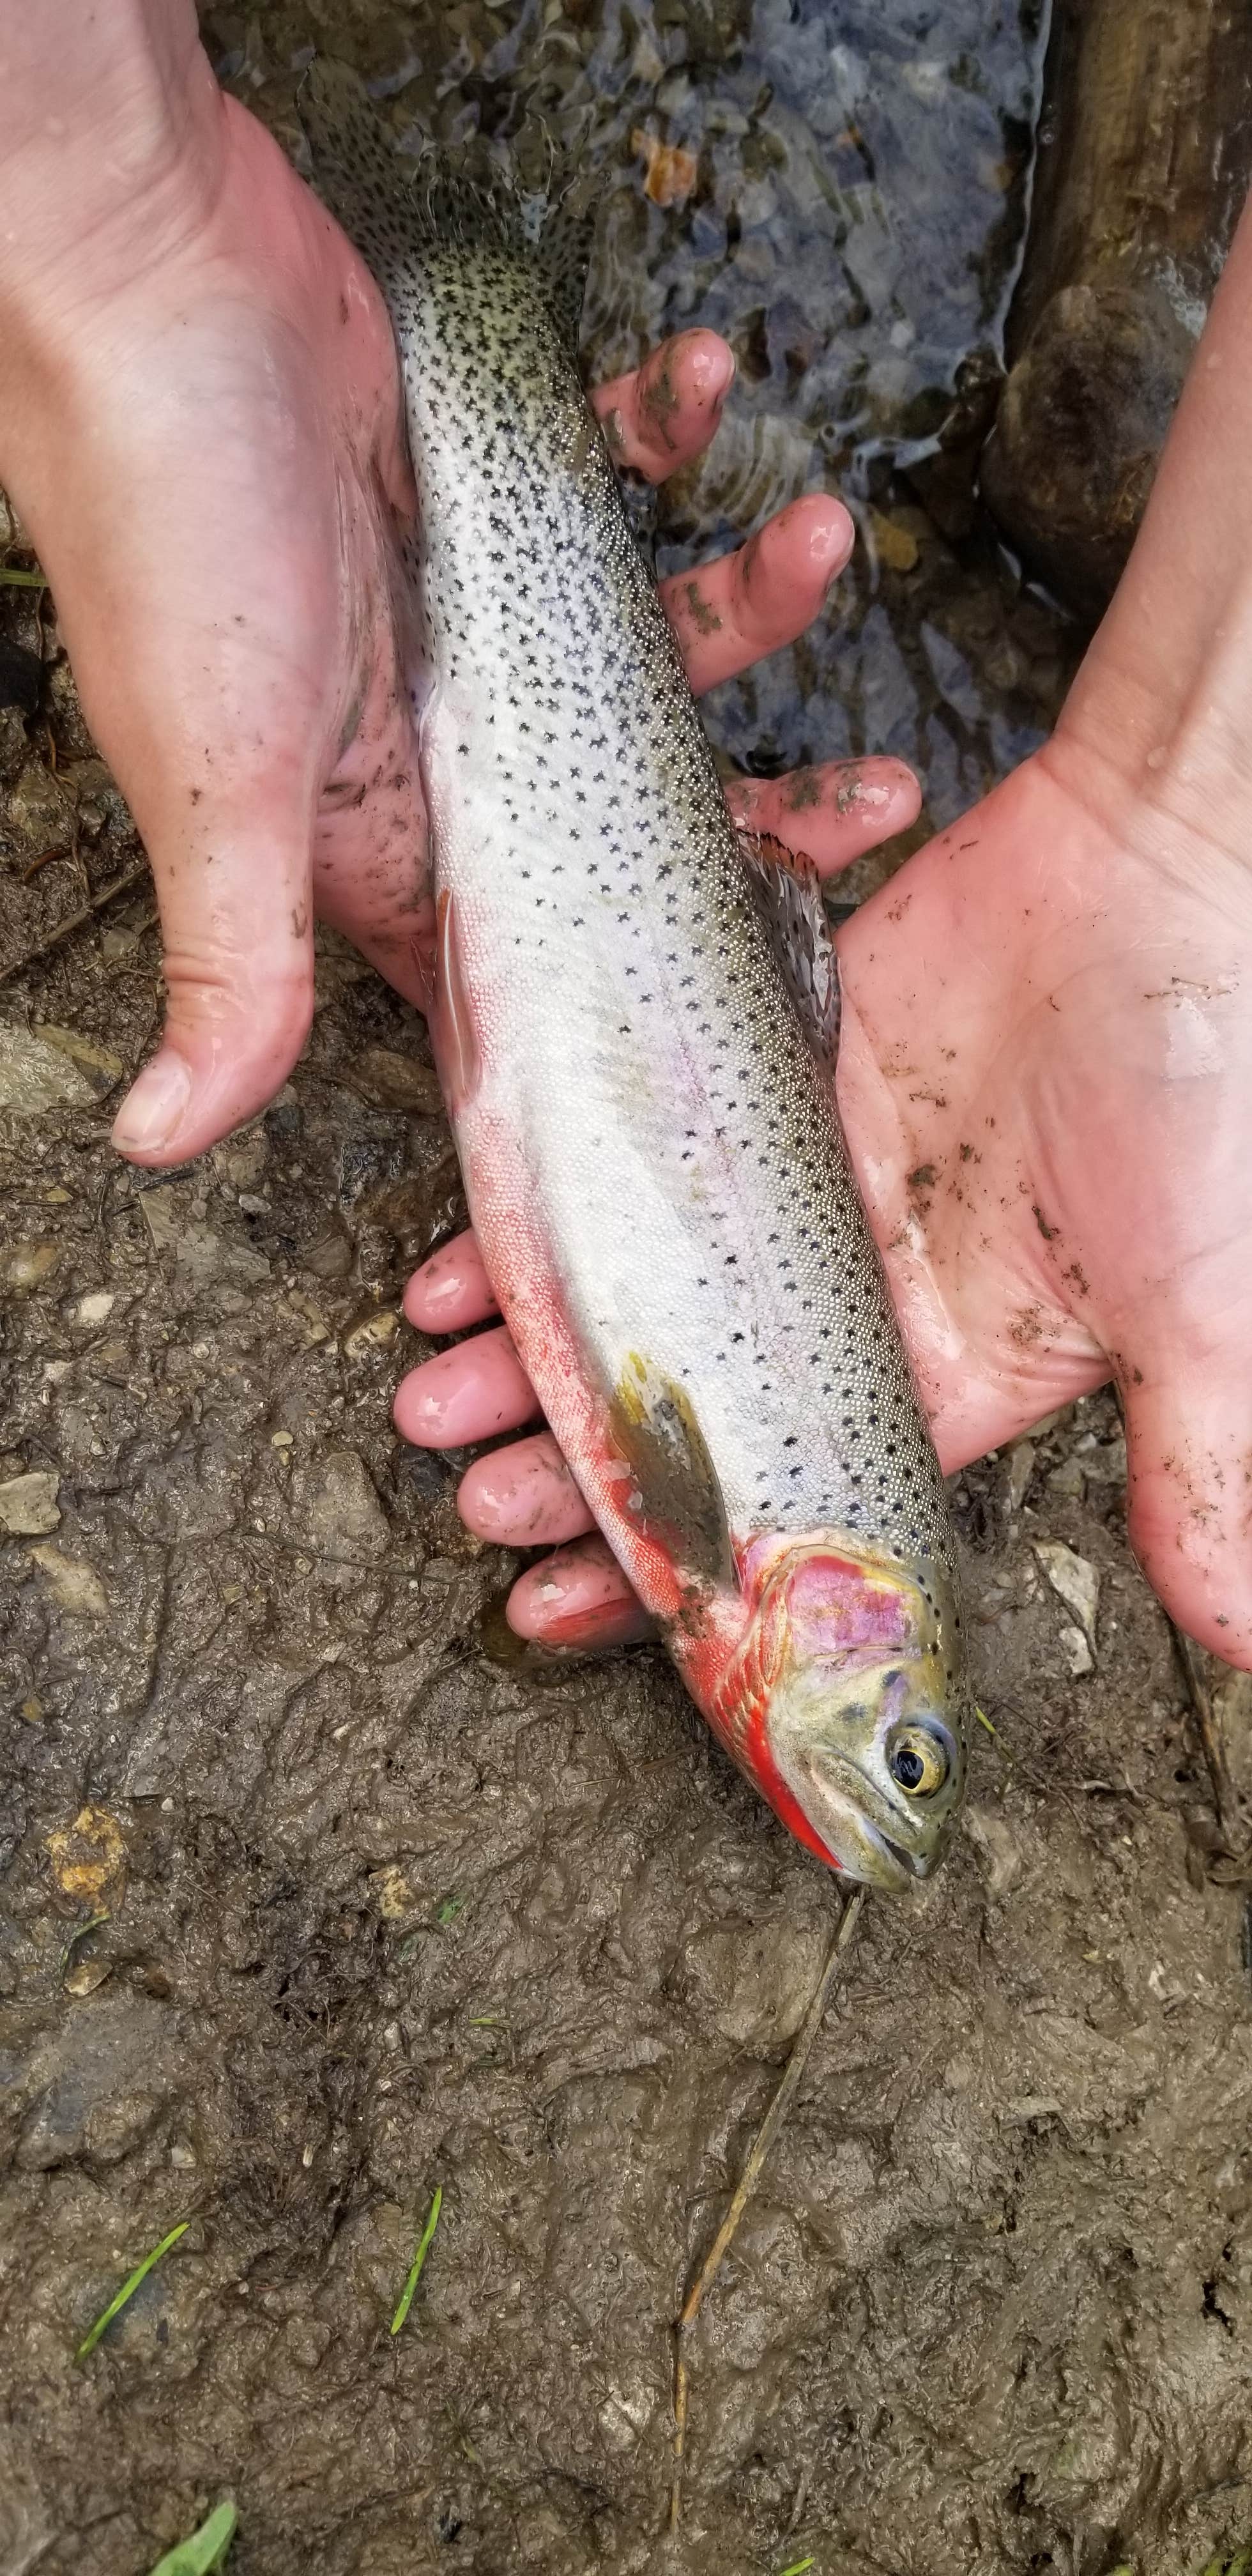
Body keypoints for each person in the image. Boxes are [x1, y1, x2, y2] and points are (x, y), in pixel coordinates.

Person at [5, 1, 1251, 1669]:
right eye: (895, 1734)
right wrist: (105, 226)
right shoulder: (732, 1547)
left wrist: (1203, 822)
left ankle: (405, 232)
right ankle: (441, 255)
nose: (871, 1773)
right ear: (834, 1623)